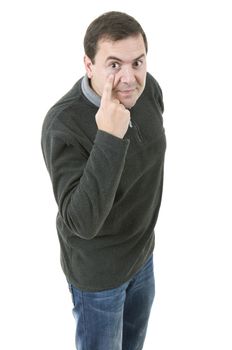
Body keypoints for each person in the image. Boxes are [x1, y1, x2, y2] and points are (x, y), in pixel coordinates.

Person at [41, 11, 166, 350]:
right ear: (89, 65)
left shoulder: (148, 89)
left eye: (137, 62)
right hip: (98, 278)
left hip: (142, 257)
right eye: (114, 65)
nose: (129, 78)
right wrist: (109, 136)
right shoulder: (62, 124)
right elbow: (81, 221)